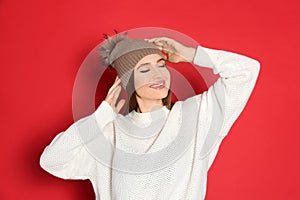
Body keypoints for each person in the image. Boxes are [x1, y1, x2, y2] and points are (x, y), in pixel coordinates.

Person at [40, 32, 260, 200]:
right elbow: (52, 160)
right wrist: (102, 115)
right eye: (144, 69)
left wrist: (191, 54)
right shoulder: (110, 132)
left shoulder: (196, 117)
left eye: (161, 65)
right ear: (128, 82)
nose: (158, 75)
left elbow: (247, 71)